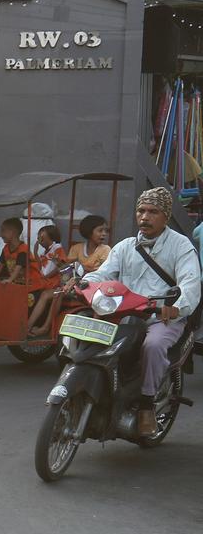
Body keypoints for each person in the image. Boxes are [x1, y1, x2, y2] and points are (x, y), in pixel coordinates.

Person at [82, 187, 201, 437]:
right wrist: (83, 283)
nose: (145, 217)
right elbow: (103, 274)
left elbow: (191, 283)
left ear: (166, 216)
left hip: (162, 317)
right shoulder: (125, 246)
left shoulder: (181, 246)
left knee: (153, 346)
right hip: (125, 314)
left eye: (153, 212)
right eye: (141, 211)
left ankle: (147, 404)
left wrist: (176, 306)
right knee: (88, 334)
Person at [26, 225, 67, 335]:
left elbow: (61, 266)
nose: (39, 239)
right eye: (39, 237)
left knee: (46, 295)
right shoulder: (46, 251)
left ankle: (31, 326)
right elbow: (41, 267)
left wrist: (47, 276)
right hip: (45, 282)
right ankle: (27, 325)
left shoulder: (57, 247)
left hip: (54, 284)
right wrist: (35, 252)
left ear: (51, 237)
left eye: (42, 237)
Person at [0, 217, 29, 284]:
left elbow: (19, 266)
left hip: (29, 283)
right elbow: (0, 263)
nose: (1, 235)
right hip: (17, 281)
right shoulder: (6, 248)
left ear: (12, 232)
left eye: (3, 231)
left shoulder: (23, 249)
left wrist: (10, 279)